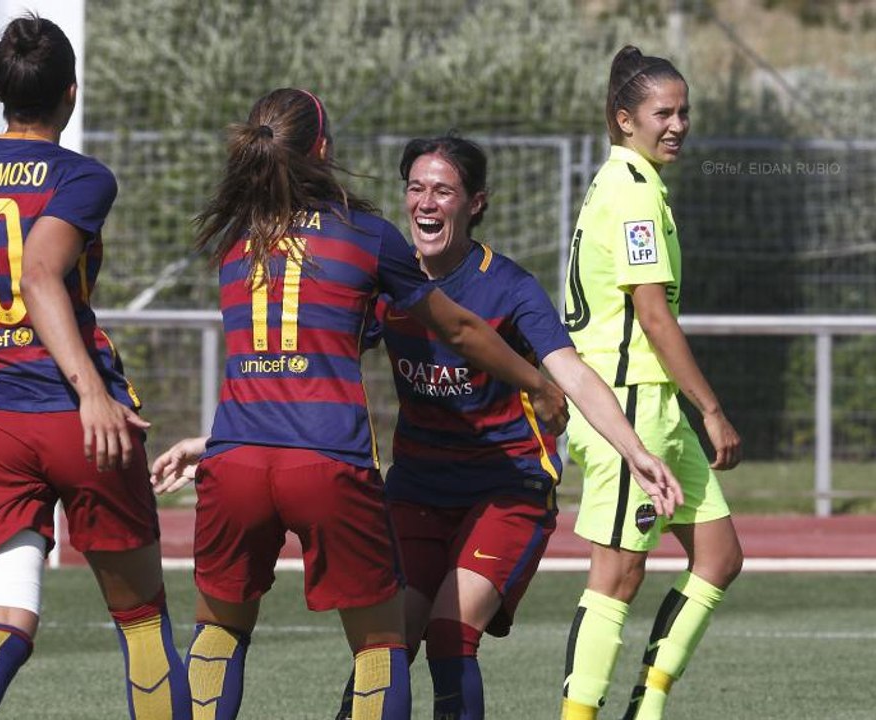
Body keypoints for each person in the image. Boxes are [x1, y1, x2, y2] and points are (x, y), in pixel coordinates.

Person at [152, 132, 683, 720]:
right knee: (386, 645)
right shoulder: (387, 277)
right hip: (416, 490)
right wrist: (215, 441)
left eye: (444, 191)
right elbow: (308, 373)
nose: (426, 203)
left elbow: (572, 376)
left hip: (504, 489)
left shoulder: (508, 286)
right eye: (416, 188)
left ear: (474, 203)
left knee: (451, 634)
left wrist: (634, 450)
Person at [0, 15, 189, 720]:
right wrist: (88, 391)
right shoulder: (80, 178)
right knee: (142, 623)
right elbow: (39, 276)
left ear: (0, 93)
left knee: (0, 628)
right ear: (70, 94)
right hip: (81, 423)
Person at [559, 46, 744, 720]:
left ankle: (648, 703)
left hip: (653, 405)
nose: (678, 124)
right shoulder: (632, 194)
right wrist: (713, 409)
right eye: (662, 112)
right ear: (624, 119)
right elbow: (653, 316)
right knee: (616, 578)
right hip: (625, 404)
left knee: (718, 556)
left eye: (684, 111)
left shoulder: (636, 185)